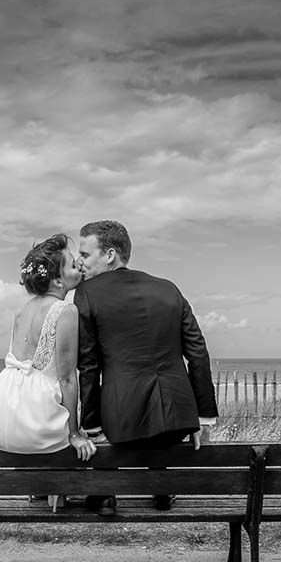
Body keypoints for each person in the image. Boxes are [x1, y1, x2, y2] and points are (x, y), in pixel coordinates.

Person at [73, 220, 218, 515]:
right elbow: (198, 353)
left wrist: (91, 425)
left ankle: (106, 494)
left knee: (118, 430)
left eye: (86, 255)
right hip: (178, 418)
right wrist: (204, 417)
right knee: (158, 428)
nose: (80, 262)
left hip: (122, 421)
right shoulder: (169, 289)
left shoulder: (87, 293)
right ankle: (162, 488)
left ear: (110, 254)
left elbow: (89, 365)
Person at [0, 234, 97, 510]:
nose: (80, 269)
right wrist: (74, 433)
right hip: (34, 419)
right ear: (58, 280)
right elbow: (65, 377)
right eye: (73, 266)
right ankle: (57, 489)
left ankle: (44, 488)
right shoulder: (65, 310)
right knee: (80, 438)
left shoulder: (22, 310)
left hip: (4, 415)